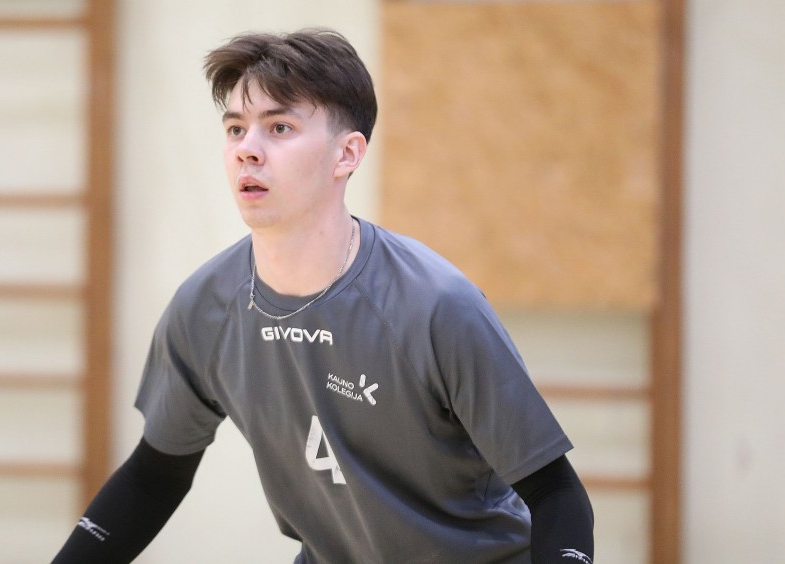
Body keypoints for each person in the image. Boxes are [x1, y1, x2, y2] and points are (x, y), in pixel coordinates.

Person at [53, 28, 594, 564]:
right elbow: (154, 476)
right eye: (236, 129)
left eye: (279, 127)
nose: (247, 151)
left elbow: (556, 493)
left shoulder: (436, 305)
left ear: (346, 155)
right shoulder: (205, 308)